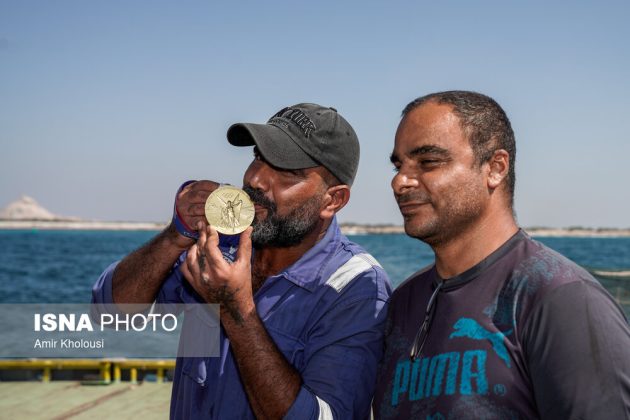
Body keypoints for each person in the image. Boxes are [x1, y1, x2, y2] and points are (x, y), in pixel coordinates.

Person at [92, 103, 392, 419]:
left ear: (333, 200)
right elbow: (110, 314)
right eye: (258, 158)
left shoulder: (355, 286)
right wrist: (176, 234)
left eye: (288, 171)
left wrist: (235, 310)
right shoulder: (218, 246)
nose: (256, 179)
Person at [373, 91, 630, 419]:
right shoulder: (403, 303)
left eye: (428, 162)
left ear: (495, 168)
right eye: (399, 165)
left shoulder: (560, 299)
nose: (400, 181)